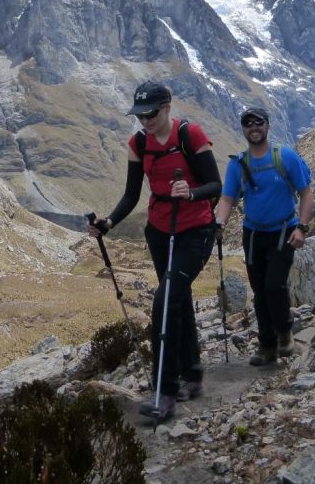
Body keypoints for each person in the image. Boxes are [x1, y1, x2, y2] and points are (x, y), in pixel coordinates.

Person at [88, 80, 221, 422]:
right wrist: (109, 222)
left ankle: (165, 391)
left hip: (195, 230)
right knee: (177, 298)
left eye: (150, 114)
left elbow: (215, 185)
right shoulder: (139, 143)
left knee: (164, 301)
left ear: (166, 108)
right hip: (160, 231)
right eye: (139, 115)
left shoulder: (190, 135)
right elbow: (132, 194)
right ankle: (193, 374)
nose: (144, 121)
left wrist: (189, 192)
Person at [214, 107, 313, 366]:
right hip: (254, 234)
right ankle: (266, 345)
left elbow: (305, 192)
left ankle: (284, 333)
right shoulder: (238, 165)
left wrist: (301, 227)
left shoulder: (285, 157)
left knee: (273, 285)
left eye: (258, 122)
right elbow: (227, 198)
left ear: (268, 126)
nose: (254, 127)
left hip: (284, 230)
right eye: (248, 123)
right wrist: (219, 222)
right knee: (259, 291)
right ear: (243, 129)